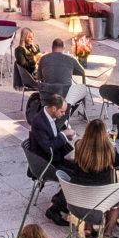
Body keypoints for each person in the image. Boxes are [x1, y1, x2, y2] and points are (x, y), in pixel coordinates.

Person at [70, 119, 119, 238]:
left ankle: (88, 228)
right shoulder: (110, 150)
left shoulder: (79, 145)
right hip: (102, 196)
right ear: (103, 134)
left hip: (81, 195)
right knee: (117, 200)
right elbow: (118, 163)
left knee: (91, 194)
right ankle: (108, 233)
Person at [29, 94, 78, 226]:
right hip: (46, 162)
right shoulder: (39, 122)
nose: (63, 114)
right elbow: (48, 148)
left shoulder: (49, 116)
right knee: (76, 177)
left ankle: (63, 200)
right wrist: (63, 135)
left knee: (82, 169)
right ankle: (55, 209)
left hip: (56, 157)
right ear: (53, 108)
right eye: (62, 111)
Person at [37, 35, 87, 110]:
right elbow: (82, 72)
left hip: (48, 95)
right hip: (66, 95)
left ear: (52, 48)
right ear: (63, 48)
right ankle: (68, 113)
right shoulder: (70, 59)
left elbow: (39, 77)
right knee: (82, 92)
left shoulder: (43, 58)